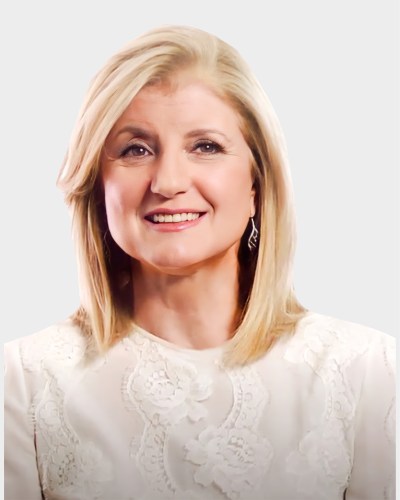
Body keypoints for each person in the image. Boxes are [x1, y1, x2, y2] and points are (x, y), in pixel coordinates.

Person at [4, 25, 395, 500]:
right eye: (136, 149)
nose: (168, 181)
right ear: (97, 186)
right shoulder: (24, 384)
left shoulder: (365, 372)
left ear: (256, 184)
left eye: (205, 146)